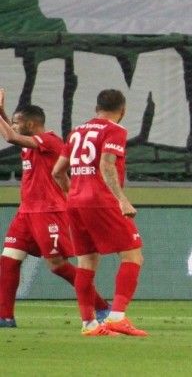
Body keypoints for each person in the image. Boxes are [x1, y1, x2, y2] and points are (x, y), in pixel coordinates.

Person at [0, 89, 109, 328]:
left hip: (48, 211)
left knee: (57, 266)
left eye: (17, 122)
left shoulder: (49, 141)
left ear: (31, 124)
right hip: (25, 213)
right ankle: (5, 317)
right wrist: (2, 113)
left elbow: (11, 137)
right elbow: (13, 134)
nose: (14, 126)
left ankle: (101, 306)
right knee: (8, 261)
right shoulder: (30, 142)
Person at [51, 89, 145, 337]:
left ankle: (89, 324)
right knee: (132, 255)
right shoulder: (115, 130)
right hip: (102, 201)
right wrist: (122, 199)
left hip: (75, 203)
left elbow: (57, 172)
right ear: (122, 110)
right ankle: (117, 317)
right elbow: (106, 163)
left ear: (96, 109)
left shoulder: (76, 132)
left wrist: (74, 194)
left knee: (86, 262)